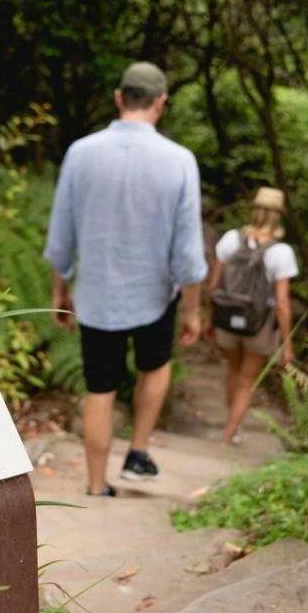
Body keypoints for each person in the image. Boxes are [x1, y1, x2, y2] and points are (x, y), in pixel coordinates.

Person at [44, 61, 208, 497]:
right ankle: (137, 451)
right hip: (156, 294)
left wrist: (61, 292)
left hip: (96, 295)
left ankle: (97, 486)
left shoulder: (81, 153)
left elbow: (60, 238)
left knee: (100, 388)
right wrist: (193, 311)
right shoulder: (180, 161)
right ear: (161, 103)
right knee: (155, 367)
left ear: (119, 98)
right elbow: (189, 254)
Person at [207, 187, 297, 446]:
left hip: (227, 318)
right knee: (247, 381)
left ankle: (232, 426)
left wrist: (209, 320)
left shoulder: (230, 240)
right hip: (258, 325)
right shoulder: (281, 252)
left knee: (233, 371)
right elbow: (282, 303)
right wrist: (286, 343)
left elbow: (214, 285)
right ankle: (229, 434)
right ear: (278, 216)